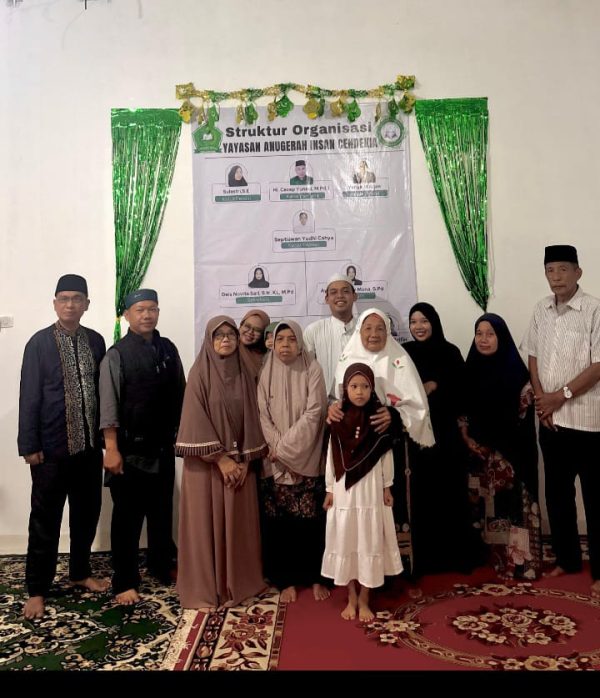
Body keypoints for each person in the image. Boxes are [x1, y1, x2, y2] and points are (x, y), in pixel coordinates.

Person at [18, 274, 108, 619]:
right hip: (51, 451)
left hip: (88, 449)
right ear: (55, 303)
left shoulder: (96, 341)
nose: (70, 304)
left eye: (77, 298)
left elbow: (103, 393)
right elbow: (29, 396)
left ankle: (80, 573)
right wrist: (29, 445)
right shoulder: (39, 343)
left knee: (86, 515)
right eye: (64, 298)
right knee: (45, 521)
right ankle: (37, 590)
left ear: (87, 304)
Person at [330, 308, 434, 575]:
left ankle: (398, 572)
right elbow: (336, 399)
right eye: (368, 328)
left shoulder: (400, 359)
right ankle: (358, 572)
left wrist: (394, 414)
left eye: (380, 328)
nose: (374, 334)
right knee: (358, 513)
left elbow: (418, 406)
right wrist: (333, 409)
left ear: (388, 332)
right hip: (354, 451)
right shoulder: (348, 358)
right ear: (359, 331)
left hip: (392, 450)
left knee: (392, 510)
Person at [521, 245, 600, 597]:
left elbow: (598, 366)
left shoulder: (594, 309)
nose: (556, 277)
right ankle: (567, 560)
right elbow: (533, 356)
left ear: (578, 272)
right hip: (551, 421)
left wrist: (560, 396)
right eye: (550, 270)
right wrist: (543, 402)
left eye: (563, 269)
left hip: (589, 423)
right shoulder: (541, 309)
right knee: (557, 495)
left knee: (596, 499)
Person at [175, 316, 268, 610]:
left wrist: (245, 461)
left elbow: (255, 417)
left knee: (240, 526)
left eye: (231, 334)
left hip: (240, 467)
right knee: (206, 527)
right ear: (209, 340)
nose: (226, 339)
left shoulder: (246, 372)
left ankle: (240, 584)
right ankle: (207, 589)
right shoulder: (199, 374)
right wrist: (221, 459)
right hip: (207, 468)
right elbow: (194, 420)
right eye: (219, 335)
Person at [100, 289, 185, 605]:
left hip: (163, 447)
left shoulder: (167, 348)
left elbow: (181, 393)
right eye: (140, 310)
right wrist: (111, 448)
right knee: (127, 519)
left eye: (152, 309)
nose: (147, 315)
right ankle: (124, 580)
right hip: (129, 451)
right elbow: (108, 404)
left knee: (162, 511)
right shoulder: (117, 354)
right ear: (127, 315)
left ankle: (160, 566)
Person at [404, 303, 486, 575]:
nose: (418, 326)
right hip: (416, 439)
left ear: (434, 323)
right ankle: (426, 559)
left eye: (424, 321)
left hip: (446, 437)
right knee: (422, 496)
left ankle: (454, 556)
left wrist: (437, 385)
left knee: (449, 493)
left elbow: (464, 392)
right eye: (413, 321)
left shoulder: (450, 352)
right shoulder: (405, 353)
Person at [460, 313, 541, 580]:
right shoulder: (469, 370)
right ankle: (485, 559)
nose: (483, 340)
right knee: (483, 508)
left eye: (490, 334)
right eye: (479, 334)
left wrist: (497, 446)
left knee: (513, 506)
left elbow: (522, 419)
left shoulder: (517, 374)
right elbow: (461, 410)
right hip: (478, 455)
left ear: (501, 337)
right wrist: (467, 437)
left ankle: (517, 563)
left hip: (511, 456)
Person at [321, 363, 402, 621]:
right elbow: (331, 458)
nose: (359, 392)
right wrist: (330, 489)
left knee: (369, 538)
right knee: (347, 538)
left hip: (371, 491)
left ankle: (365, 597)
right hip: (344, 490)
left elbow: (386, 456)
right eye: (354, 386)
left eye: (365, 386)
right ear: (345, 389)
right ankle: (351, 596)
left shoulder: (378, 420)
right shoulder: (338, 419)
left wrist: (387, 486)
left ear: (372, 389)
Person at [257, 320, 330, 603]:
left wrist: (284, 448)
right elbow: (262, 413)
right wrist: (276, 446)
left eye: (291, 339)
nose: (285, 345)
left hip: (306, 454)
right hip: (274, 459)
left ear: (300, 343)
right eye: (280, 339)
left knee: (310, 523)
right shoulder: (266, 369)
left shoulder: (313, 368)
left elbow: (315, 412)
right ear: (273, 343)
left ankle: (314, 577)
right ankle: (285, 580)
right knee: (280, 524)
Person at [303, 274, 358, 400]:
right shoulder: (314, 331)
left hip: (362, 403)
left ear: (354, 296)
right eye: (333, 292)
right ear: (327, 299)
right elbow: (305, 373)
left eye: (345, 291)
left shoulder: (365, 328)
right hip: (325, 404)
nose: (340, 296)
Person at [238, 309, 270, 378]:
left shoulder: (268, 356)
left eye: (257, 330)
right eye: (247, 326)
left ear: (263, 334)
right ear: (240, 326)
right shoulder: (229, 350)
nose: (250, 332)